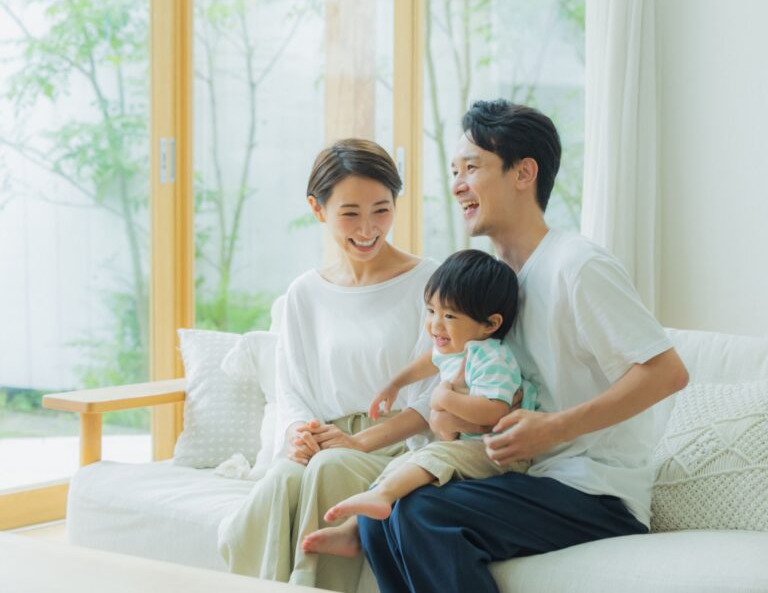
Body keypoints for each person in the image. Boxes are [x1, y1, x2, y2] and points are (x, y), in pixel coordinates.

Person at [357, 100, 690, 593]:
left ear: (524, 173)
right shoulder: (493, 286)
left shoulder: (578, 265)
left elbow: (667, 373)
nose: (457, 184)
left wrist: (554, 427)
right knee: (377, 517)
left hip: (594, 491)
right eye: (454, 171)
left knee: (423, 513)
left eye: (472, 167)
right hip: (527, 476)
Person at [217, 139, 438, 592]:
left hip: (396, 448)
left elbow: (429, 401)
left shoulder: (430, 282)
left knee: (330, 467)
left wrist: (355, 443)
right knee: (283, 478)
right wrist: (299, 435)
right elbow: (293, 388)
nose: (368, 228)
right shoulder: (305, 292)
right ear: (318, 209)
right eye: (350, 213)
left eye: (381, 210)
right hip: (326, 439)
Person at [301, 249, 536, 556]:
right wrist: (395, 384)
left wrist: (444, 397)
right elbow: (428, 361)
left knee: (429, 457)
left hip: (499, 453)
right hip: (466, 446)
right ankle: (355, 531)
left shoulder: (491, 357)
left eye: (449, 316)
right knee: (401, 465)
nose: (435, 325)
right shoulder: (458, 347)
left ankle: (374, 507)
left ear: (490, 324)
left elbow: (495, 411)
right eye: (431, 311)